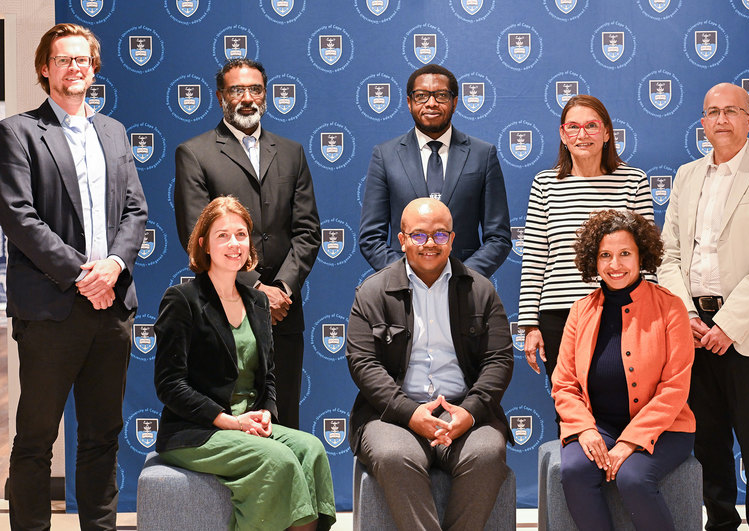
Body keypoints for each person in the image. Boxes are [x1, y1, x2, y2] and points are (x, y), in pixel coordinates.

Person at [0, 23, 148, 529]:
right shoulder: (19, 132)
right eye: (63, 60)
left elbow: (135, 212)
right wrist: (82, 273)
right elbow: (18, 217)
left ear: (93, 68)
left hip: (112, 307)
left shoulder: (114, 132)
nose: (74, 68)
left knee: (102, 435)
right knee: (37, 438)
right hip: (51, 309)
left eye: (82, 60)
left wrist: (114, 266)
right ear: (45, 69)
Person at [657, 82, 749, 531]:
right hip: (694, 326)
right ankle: (720, 522)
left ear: (748, 119)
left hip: (748, 328)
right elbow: (669, 255)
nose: (721, 120)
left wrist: (729, 326)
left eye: (732, 111)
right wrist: (690, 318)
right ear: (702, 122)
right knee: (709, 439)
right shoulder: (686, 175)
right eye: (712, 112)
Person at [154, 196, 336, 531]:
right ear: (203, 244)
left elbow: (267, 377)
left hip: (248, 421)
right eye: (222, 235)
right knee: (277, 460)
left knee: (311, 449)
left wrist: (266, 411)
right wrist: (228, 421)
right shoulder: (182, 300)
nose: (234, 243)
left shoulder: (256, 301)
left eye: (241, 234)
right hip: (195, 431)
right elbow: (169, 385)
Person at [346, 197, 513, 531]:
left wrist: (470, 411)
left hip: (465, 414)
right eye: (419, 235)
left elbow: (499, 359)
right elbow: (363, 363)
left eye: (440, 235)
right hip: (392, 416)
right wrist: (409, 412)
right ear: (403, 239)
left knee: (487, 454)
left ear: (452, 240)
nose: (430, 244)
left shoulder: (481, 290)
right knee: (394, 456)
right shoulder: (373, 292)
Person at [174, 58, 321, 430]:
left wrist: (282, 289)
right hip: (223, 307)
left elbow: (307, 231)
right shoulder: (195, 153)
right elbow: (197, 234)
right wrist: (256, 289)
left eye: (255, 90)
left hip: (284, 311)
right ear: (221, 96)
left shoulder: (292, 152)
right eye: (237, 90)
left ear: (266, 96)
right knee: (230, 415)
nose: (246, 98)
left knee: (284, 419)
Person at [553, 209, 695, 531]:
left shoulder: (670, 307)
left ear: (641, 255)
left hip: (665, 429)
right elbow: (564, 383)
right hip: (599, 425)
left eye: (624, 254)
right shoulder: (580, 310)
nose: (615, 265)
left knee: (632, 477)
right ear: (594, 260)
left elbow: (674, 387)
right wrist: (584, 428)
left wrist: (631, 441)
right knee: (574, 470)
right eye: (605, 255)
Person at [518, 95, 653, 386]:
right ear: (563, 134)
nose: (583, 135)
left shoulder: (634, 180)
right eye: (573, 127)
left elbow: (648, 259)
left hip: (620, 310)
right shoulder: (545, 184)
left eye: (592, 126)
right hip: (559, 315)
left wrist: (649, 315)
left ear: (606, 133)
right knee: (568, 404)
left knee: (622, 399)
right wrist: (530, 325)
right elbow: (534, 259)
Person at [359, 64, 511, 278]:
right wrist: (406, 275)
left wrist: (462, 277)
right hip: (404, 293)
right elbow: (371, 238)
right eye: (421, 96)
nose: (431, 103)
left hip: (464, 293)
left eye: (441, 95)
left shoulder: (482, 155)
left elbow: (498, 237)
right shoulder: (385, 156)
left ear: (455, 102)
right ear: (409, 102)